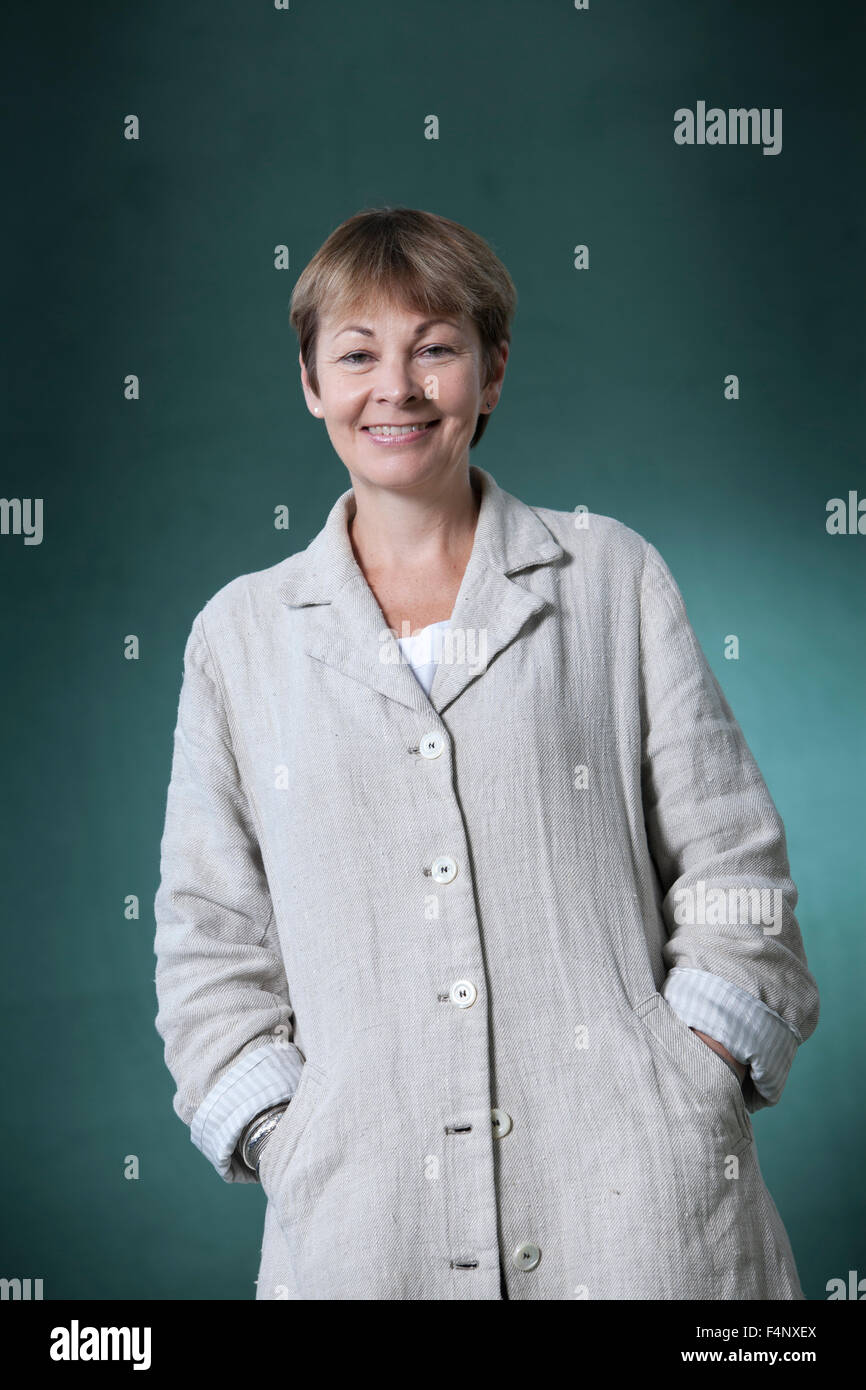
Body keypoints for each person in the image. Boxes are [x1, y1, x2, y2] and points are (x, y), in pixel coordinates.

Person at [153, 206, 819, 1300]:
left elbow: (734, 866)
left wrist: (689, 1074)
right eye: (357, 353)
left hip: (639, 1215)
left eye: (436, 349)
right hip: (369, 1229)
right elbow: (207, 936)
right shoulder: (239, 637)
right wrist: (286, 1129)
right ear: (311, 382)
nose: (397, 389)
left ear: (491, 371)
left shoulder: (609, 576)